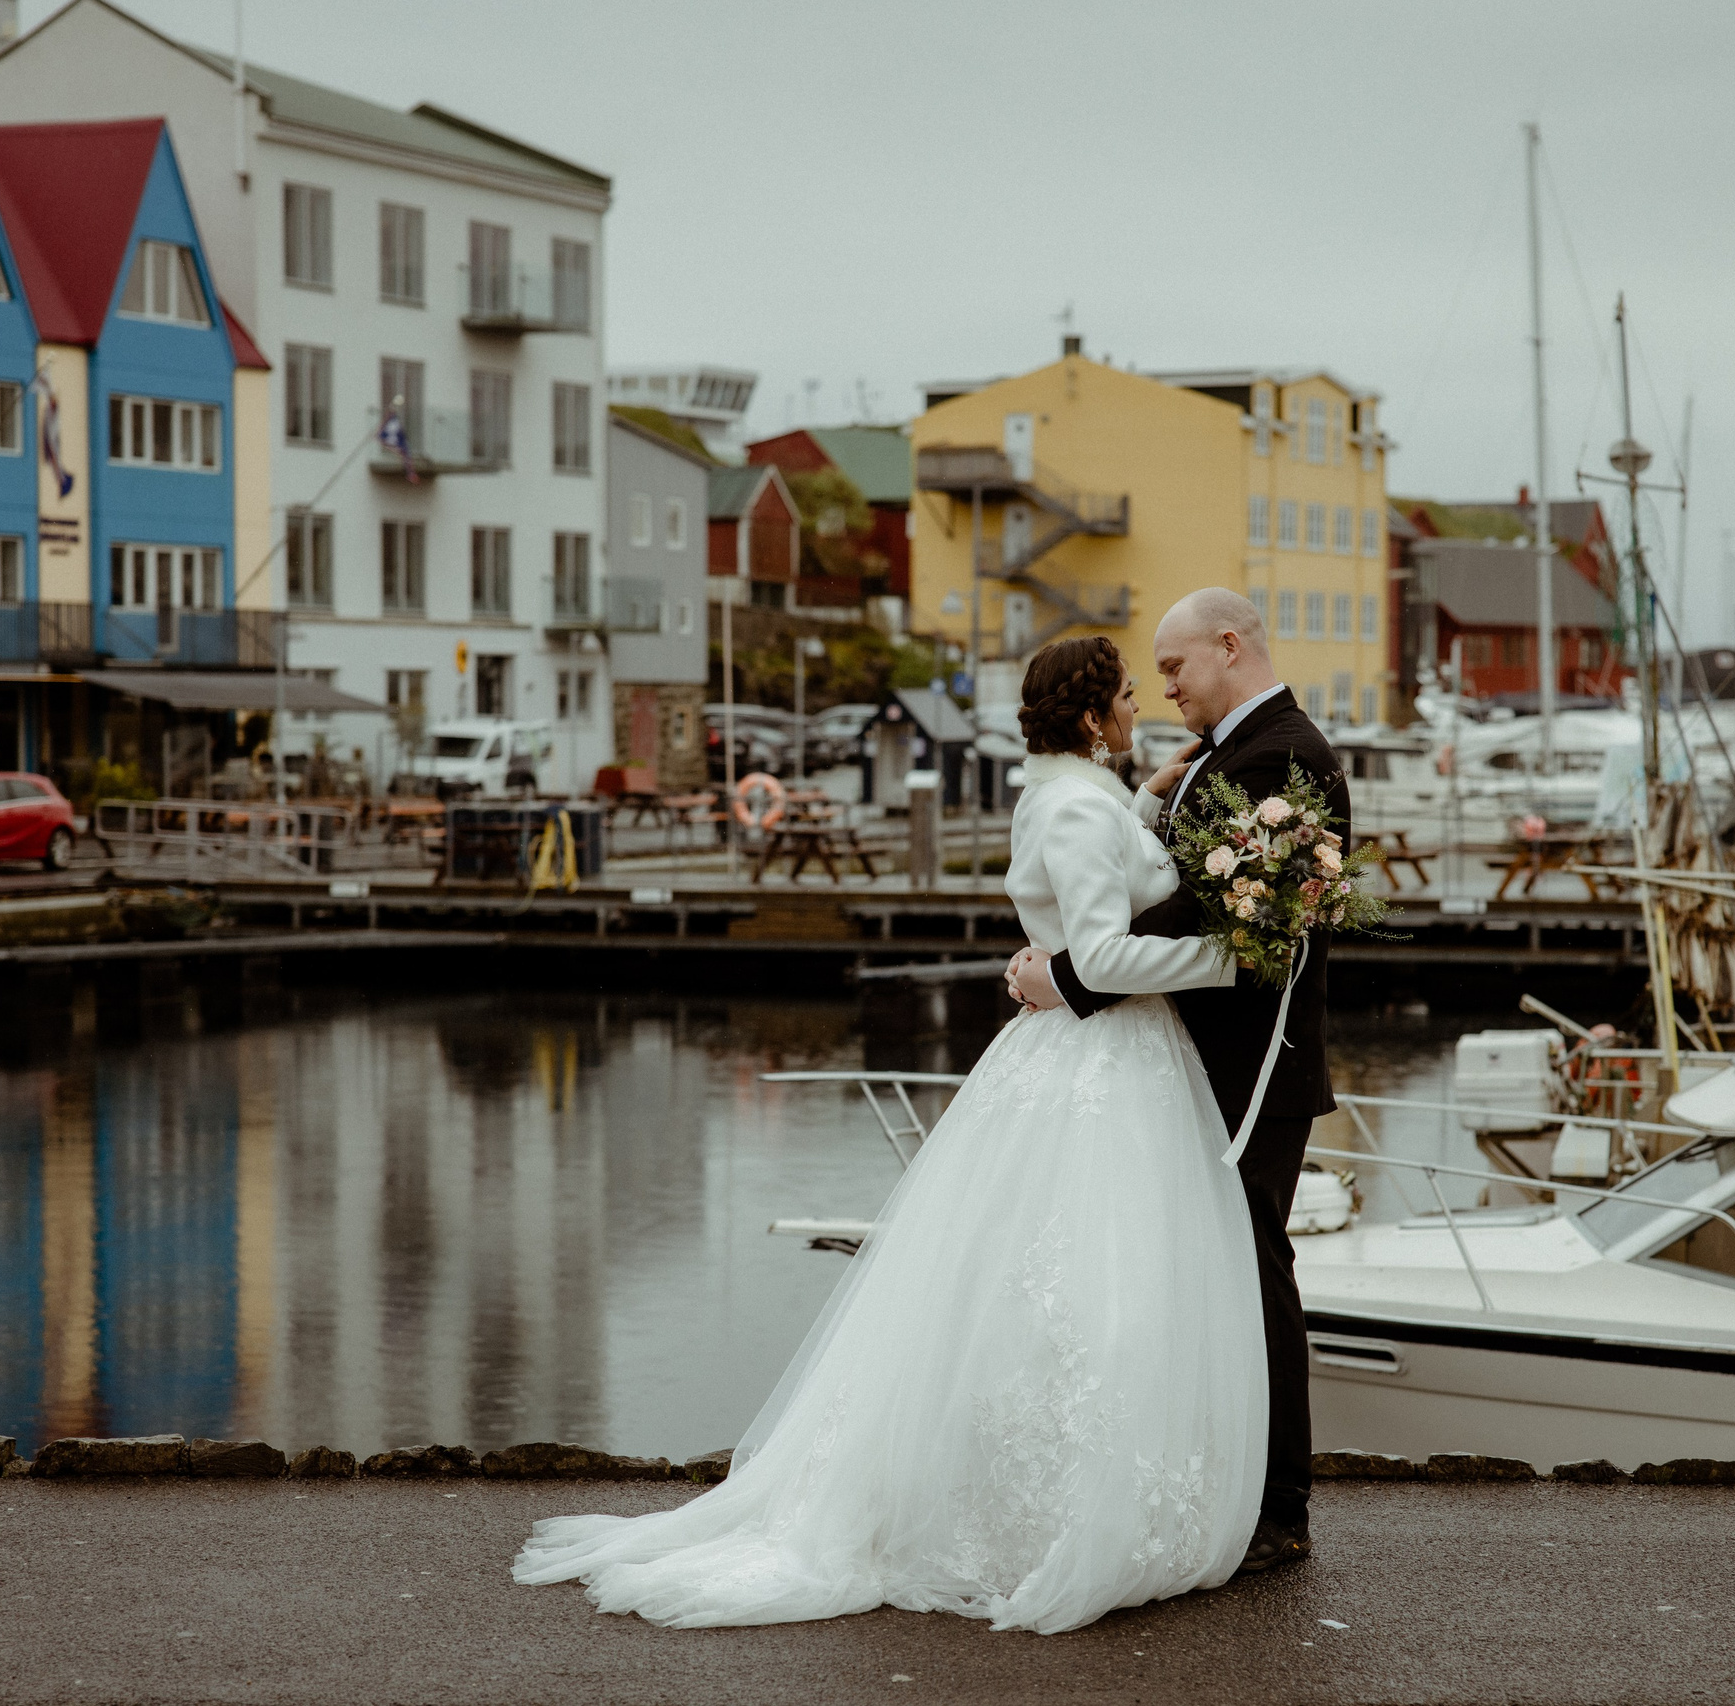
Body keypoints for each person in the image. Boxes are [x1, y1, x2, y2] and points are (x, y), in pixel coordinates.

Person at [513, 636, 1266, 1634]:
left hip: (1093, 1062)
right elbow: (1100, 952)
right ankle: (1052, 1511)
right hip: (1105, 1062)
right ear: (1093, 719)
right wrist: (1233, 955)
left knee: (1059, 1286)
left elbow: (1092, 860)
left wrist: (1144, 803)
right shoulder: (1080, 805)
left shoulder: (1067, 792)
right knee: (1094, 1283)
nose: (1140, 708)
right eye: (1128, 696)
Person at [1009, 587, 1347, 1576]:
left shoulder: (1281, 754)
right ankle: (1226, 1485)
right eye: (1142, 680)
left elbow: (1226, 920)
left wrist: (1069, 972)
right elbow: (1176, 879)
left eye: (1173, 668)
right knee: (1205, 1280)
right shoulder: (1225, 754)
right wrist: (1157, 797)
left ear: (1229, 646)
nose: (1160, 690)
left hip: (1253, 1063)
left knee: (1252, 1275)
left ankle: (1277, 1506)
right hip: (1191, 1060)